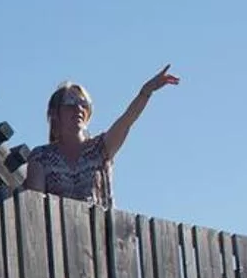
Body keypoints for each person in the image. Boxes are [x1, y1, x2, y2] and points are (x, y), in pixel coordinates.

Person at [21, 65, 180, 206]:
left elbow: (127, 120)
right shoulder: (41, 157)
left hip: (101, 235)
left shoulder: (100, 149)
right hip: (59, 237)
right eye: (70, 103)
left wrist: (146, 92)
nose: (78, 109)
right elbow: (35, 204)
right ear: (55, 113)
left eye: (84, 104)